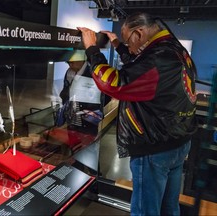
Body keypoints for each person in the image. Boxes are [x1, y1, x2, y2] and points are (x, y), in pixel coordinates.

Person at [78, 12, 198, 216]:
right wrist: (119, 46)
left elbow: (113, 83)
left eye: (129, 42)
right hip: (177, 142)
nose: (130, 49)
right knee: (169, 208)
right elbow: (141, 68)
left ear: (139, 33)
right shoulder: (173, 49)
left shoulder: (158, 58)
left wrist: (92, 49)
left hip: (154, 147)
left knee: (145, 211)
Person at [58, 50, 107, 135]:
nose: (70, 65)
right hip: (72, 119)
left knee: (89, 145)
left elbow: (104, 97)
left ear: (81, 60)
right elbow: (65, 91)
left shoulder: (93, 73)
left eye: (72, 62)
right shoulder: (69, 72)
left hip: (89, 122)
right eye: (68, 63)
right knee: (73, 144)